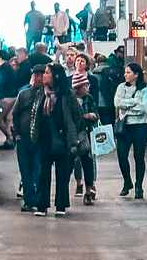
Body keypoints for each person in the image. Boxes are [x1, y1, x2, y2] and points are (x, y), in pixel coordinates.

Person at [30, 63, 83, 216]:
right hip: (44, 138)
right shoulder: (40, 93)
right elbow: (36, 114)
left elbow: (77, 115)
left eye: (47, 73)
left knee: (62, 174)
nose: (44, 75)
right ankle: (41, 205)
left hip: (63, 139)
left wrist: (72, 132)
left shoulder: (67, 95)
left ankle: (61, 205)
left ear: (55, 76)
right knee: (43, 173)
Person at [114, 61, 147, 199]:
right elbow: (117, 103)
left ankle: (139, 186)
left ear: (136, 75)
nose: (125, 75)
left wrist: (127, 108)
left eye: (128, 72)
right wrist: (134, 103)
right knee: (121, 155)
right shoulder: (121, 87)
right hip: (124, 127)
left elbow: (144, 108)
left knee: (139, 157)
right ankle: (127, 181)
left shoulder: (146, 89)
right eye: (125, 72)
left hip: (140, 127)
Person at [11, 67, 44, 213]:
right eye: (36, 75)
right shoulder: (23, 94)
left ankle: (37, 199)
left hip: (40, 140)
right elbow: (15, 114)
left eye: (41, 75)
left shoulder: (48, 95)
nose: (38, 78)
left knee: (38, 170)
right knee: (25, 171)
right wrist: (17, 134)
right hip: (23, 138)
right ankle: (29, 200)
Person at [70, 53, 100, 204]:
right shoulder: (69, 100)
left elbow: (97, 113)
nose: (87, 88)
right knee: (73, 161)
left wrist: (92, 116)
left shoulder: (89, 98)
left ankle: (89, 189)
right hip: (72, 135)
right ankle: (77, 184)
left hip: (86, 133)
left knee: (88, 161)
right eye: (85, 86)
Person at [0, 46, 20, 150]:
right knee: (7, 120)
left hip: (6, 97)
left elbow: (2, 82)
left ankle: (10, 138)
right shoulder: (4, 67)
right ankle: (9, 140)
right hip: (11, 96)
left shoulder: (4, 67)